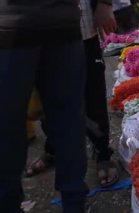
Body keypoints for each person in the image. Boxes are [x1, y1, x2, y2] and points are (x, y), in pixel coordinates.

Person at [0, 0, 88, 212]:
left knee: (8, 125)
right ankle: (74, 201)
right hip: (57, 25)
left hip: (16, 26)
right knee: (68, 121)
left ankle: (8, 203)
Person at [25, 0, 120, 188]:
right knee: (48, 94)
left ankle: (102, 152)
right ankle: (53, 148)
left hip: (82, 25)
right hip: (38, 26)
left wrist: (105, 3)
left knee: (92, 92)